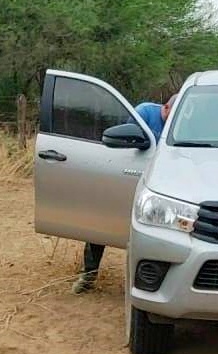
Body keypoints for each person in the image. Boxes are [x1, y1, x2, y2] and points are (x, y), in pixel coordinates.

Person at [71, 94, 177, 295]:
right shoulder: (144, 112)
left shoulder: (179, 121)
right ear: (165, 107)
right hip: (130, 178)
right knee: (102, 223)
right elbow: (128, 144)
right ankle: (88, 276)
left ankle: (147, 284)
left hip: (161, 189)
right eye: (172, 114)